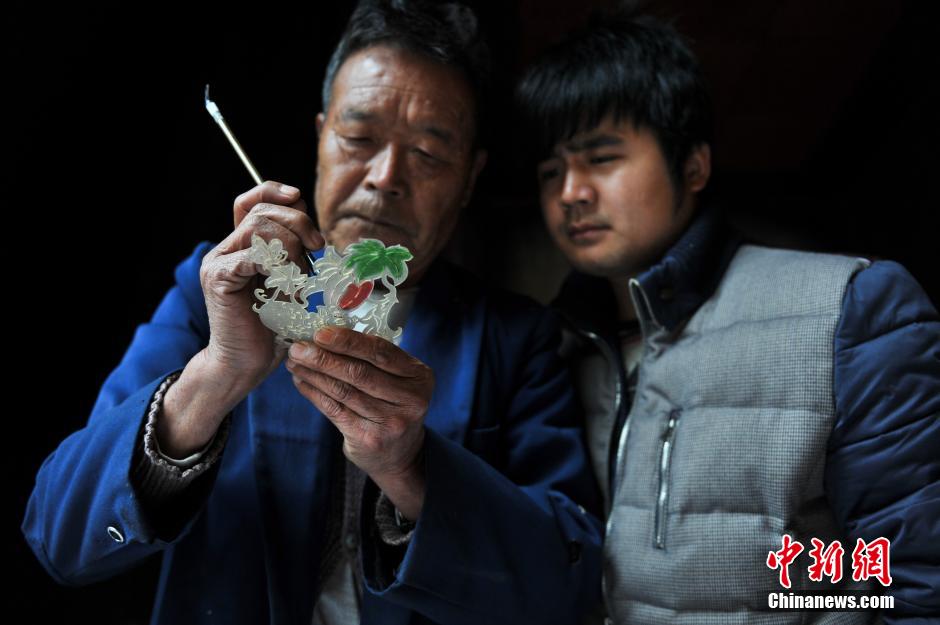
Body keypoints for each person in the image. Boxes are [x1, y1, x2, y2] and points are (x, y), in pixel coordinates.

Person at [22, 2, 604, 624]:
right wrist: (216, 374)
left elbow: (565, 587)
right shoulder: (215, 293)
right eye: (359, 138)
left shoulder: (516, 340)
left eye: (429, 154)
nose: (385, 177)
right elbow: (60, 537)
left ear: (469, 177)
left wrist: (410, 467)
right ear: (321, 137)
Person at [516, 12, 938, 625]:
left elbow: (916, 587)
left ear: (693, 166)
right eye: (550, 172)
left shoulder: (846, 309)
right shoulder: (551, 347)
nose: (570, 192)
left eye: (601, 158)